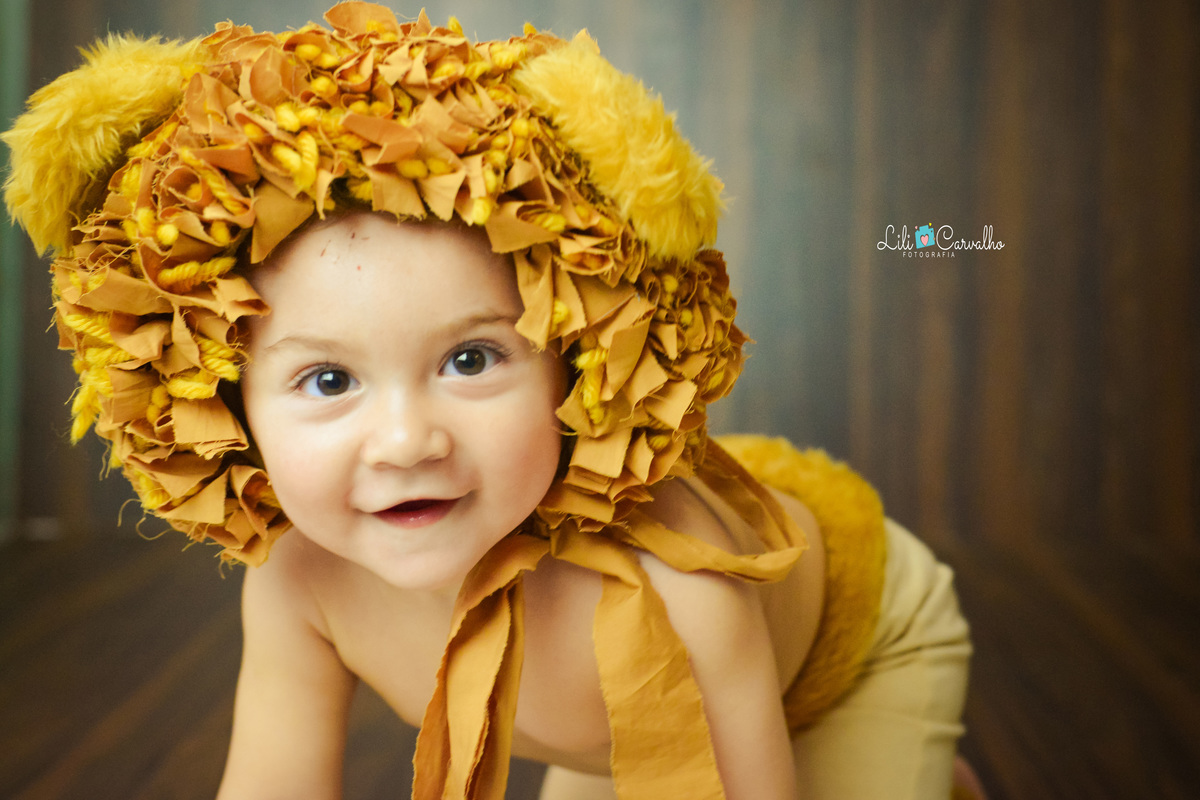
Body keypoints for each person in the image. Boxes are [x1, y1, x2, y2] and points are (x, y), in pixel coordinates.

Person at [2, 3, 977, 798]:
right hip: (622, 721)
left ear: (576, 362)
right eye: (329, 380)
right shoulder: (298, 584)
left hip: (852, 648)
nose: (406, 439)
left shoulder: (685, 594)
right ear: (225, 407)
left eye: (470, 359)